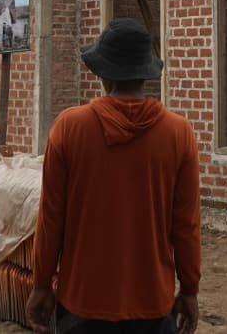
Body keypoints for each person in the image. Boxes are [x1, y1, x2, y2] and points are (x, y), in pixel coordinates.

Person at [26, 19, 201, 334]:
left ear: (103, 75)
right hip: (152, 304)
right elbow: (186, 226)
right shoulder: (178, 133)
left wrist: (41, 284)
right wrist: (189, 289)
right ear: (146, 74)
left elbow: (50, 219)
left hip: (82, 303)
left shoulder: (69, 128)